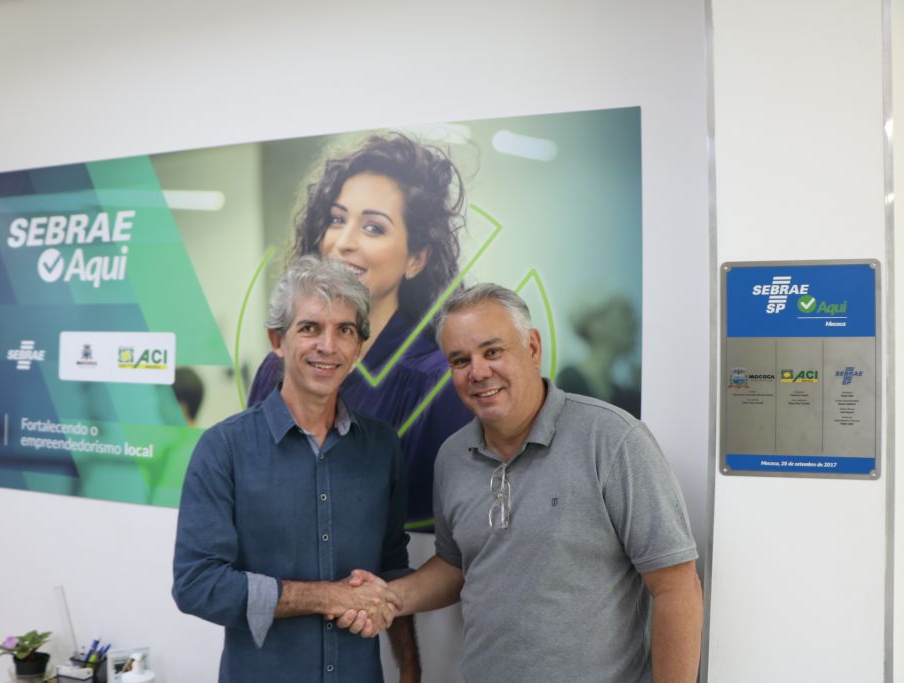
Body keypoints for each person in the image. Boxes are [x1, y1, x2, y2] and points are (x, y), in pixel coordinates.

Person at [339, 284, 703, 682]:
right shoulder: (452, 457)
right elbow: (456, 565)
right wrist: (389, 597)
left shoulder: (614, 440)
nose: (478, 372)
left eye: (493, 351)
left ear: (532, 348)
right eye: (460, 360)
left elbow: (676, 587)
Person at [173, 256, 418, 682]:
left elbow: (392, 568)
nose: (328, 346)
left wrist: (410, 670)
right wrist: (327, 596)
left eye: (345, 330)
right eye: (309, 328)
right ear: (278, 340)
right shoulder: (224, 448)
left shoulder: (382, 446)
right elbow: (197, 584)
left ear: (359, 347)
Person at [248, 132, 474, 530]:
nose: (343, 243)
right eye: (337, 220)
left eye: (373, 228)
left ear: (416, 259)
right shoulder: (275, 369)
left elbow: (443, 536)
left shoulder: (436, 386)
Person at [555, 292, 641, 417]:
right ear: (596, 324)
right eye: (625, 313)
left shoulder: (628, 396)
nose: (634, 322)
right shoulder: (569, 382)